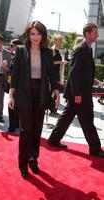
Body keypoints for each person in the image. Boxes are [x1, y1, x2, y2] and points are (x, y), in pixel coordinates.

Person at [9, 21, 60, 178]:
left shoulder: (47, 53)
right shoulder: (21, 51)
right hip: (24, 93)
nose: (35, 37)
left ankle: (33, 160)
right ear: (28, 35)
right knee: (26, 130)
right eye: (32, 33)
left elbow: (52, 74)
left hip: (41, 93)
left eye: (38, 33)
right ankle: (23, 162)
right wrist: (11, 94)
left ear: (43, 35)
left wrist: (56, 92)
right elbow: (15, 74)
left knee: (37, 130)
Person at [48, 23, 104, 158]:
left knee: (67, 116)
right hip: (79, 94)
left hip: (80, 92)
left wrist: (94, 80)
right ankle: (95, 148)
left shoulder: (88, 48)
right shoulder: (80, 49)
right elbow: (73, 73)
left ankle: (53, 140)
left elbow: (83, 71)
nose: (97, 35)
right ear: (87, 33)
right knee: (88, 120)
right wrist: (77, 94)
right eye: (95, 32)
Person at [49, 33, 67, 117]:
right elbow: (50, 63)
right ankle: (53, 110)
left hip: (57, 74)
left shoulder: (57, 50)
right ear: (55, 40)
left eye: (61, 40)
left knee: (55, 93)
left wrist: (62, 63)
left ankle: (53, 110)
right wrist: (60, 62)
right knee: (56, 93)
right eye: (59, 40)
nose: (60, 42)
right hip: (52, 75)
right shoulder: (52, 50)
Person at [7, 39, 21, 132]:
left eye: (12, 45)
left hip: (16, 85)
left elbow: (14, 72)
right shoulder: (15, 56)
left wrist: (6, 68)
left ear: (17, 46)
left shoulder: (18, 57)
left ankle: (12, 127)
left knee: (11, 105)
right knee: (15, 105)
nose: (10, 47)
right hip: (15, 84)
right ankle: (16, 124)